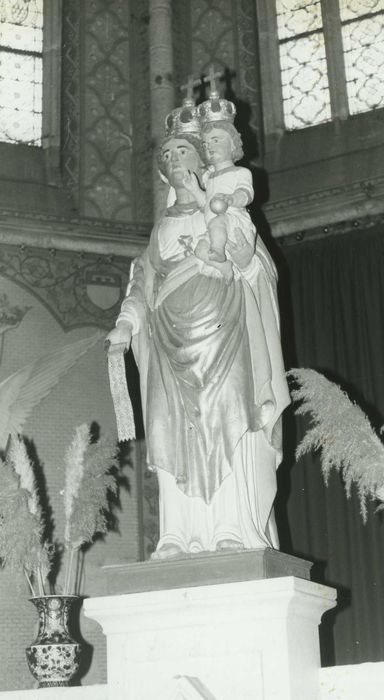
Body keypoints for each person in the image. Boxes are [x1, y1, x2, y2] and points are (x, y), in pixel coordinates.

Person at [106, 104, 289, 559]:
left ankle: (232, 527)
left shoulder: (225, 208)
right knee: (173, 430)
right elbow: (143, 282)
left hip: (225, 336)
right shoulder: (161, 226)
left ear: (201, 160)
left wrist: (237, 247)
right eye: (165, 155)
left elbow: (256, 267)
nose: (172, 159)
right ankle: (177, 535)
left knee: (229, 423)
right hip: (170, 343)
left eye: (181, 150)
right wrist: (126, 324)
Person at [183, 120, 256, 267]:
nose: (209, 146)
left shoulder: (240, 172)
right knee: (199, 249)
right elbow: (206, 204)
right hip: (213, 228)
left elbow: (246, 193)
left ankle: (218, 250)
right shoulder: (208, 178)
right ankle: (223, 267)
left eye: (215, 140)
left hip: (233, 220)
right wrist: (194, 189)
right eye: (205, 144)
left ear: (233, 144)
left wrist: (232, 199)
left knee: (218, 223)